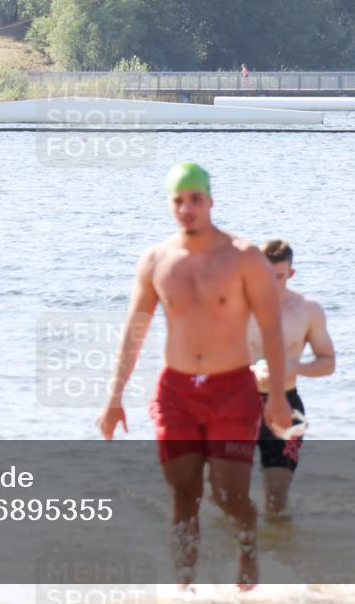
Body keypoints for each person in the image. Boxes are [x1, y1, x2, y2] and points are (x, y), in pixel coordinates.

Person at [96, 162, 291, 591]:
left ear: (210, 201)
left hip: (231, 390)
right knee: (183, 495)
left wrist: (277, 396)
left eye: (195, 199)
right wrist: (114, 397)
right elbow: (134, 329)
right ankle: (183, 587)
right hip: (176, 393)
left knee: (227, 494)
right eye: (178, 200)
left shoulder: (243, 257)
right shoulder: (156, 260)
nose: (187, 208)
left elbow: (272, 328)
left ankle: (247, 545)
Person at [248, 240, 336, 514]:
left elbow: (328, 362)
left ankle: (278, 540)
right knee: (226, 488)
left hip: (286, 404)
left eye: (278, 277)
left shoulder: (307, 310)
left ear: (290, 274)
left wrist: (296, 367)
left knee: (277, 498)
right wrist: (251, 371)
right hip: (239, 403)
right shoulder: (237, 308)